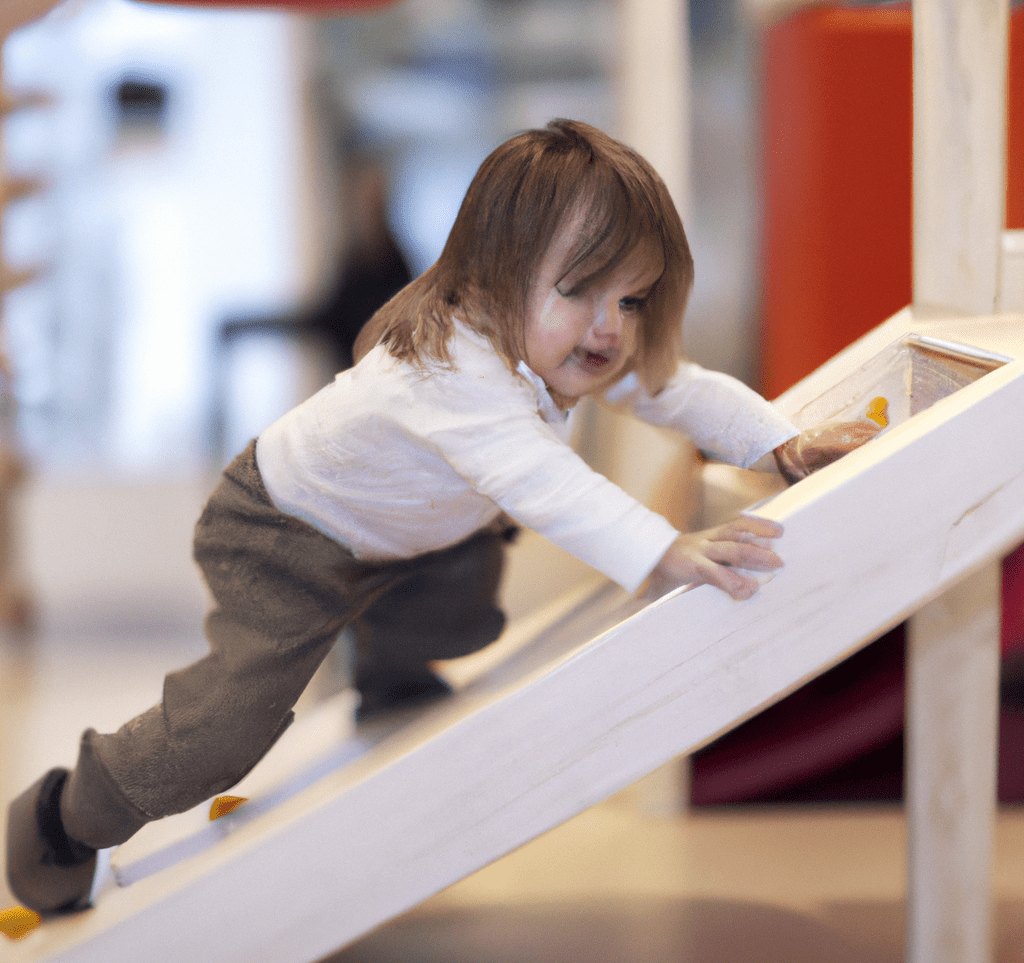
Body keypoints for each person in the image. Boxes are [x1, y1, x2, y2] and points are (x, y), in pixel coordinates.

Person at [6, 120, 877, 916]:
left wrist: (782, 445)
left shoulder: (561, 345)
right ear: (495, 275)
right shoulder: (454, 367)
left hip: (408, 538)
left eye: (633, 299)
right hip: (284, 532)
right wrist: (665, 552)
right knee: (222, 735)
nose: (610, 329)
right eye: (580, 290)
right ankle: (66, 812)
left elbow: (674, 387)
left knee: (463, 607)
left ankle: (388, 662)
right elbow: (545, 481)